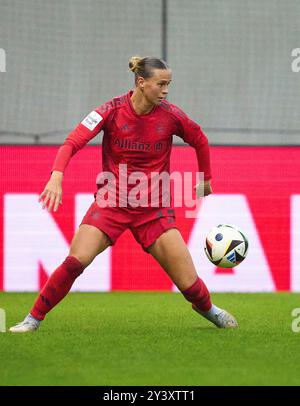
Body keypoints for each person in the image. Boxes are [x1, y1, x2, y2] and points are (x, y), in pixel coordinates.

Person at [10, 56, 238, 333]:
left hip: (153, 209)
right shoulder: (111, 110)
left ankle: (210, 310)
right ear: (141, 83)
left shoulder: (171, 116)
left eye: (169, 84)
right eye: (161, 84)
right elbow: (72, 142)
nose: (166, 90)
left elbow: (199, 138)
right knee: (74, 262)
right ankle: (32, 320)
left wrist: (206, 179)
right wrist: (57, 175)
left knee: (189, 284)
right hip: (111, 205)